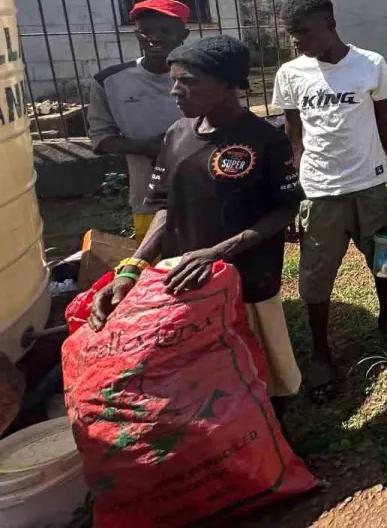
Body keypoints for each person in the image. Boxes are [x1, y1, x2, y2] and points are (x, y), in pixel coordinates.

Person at [88, 35, 304, 419]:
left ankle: (276, 443)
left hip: (248, 283)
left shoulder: (265, 141)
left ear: (227, 84)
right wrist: (133, 266)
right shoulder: (177, 135)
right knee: (207, 378)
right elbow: (164, 207)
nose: (175, 91)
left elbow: (284, 210)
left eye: (188, 81)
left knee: (264, 375)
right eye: (175, 80)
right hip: (187, 283)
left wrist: (217, 253)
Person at [272, 0, 387, 401]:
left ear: (330, 26)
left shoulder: (370, 64)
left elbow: (386, 124)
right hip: (320, 192)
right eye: (291, 34)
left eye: (303, 32)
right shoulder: (292, 74)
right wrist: (297, 182)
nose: (296, 41)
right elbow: (293, 133)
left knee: (383, 258)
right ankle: (320, 353)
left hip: (370, 184)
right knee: (316, 277)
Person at [89, 0, 189, 239]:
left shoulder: (201, 74)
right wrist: (146, 147)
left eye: (166, 31)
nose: (154, 38)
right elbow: (101, 139)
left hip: (204, 188)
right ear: (136, 35)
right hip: (148, 195)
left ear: (183, 34)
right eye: (145, 32)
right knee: (155, 266)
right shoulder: (109, 81)